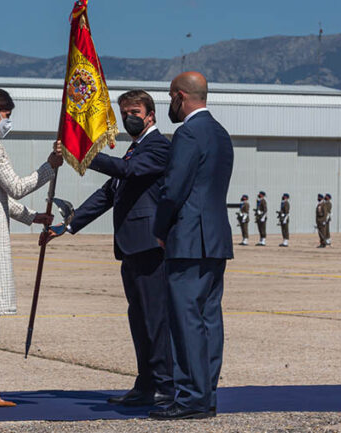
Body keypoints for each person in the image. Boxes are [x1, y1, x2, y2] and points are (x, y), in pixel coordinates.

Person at [46, 90, 174, 407]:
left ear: (150, 116)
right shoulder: (134, 150)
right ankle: (145, 383)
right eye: (124, 112)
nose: (129, 117)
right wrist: (70, 225)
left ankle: (164, 385)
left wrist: (83, 151)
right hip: (131, 247)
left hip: (149, 246)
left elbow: (126, 173)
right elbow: (108, 193)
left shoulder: (158, 147)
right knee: (139, 317)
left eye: (134, 111)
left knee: (154, 318)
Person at [0, 88, 62, 407]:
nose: (8, 121)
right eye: (7, 114)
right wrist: (50, 166)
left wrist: (34, 217)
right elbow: (16, 187)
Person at [150, 71, 233, 420]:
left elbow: (174, 188)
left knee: (185, 322)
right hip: (215, 239)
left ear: (181, 97)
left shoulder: (187, 134)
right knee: (208, 320)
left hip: (187, 240)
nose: (169, 103)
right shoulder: (221, 134)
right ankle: (206, 394)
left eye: (170, 97)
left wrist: (160, 228)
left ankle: (190, 398)